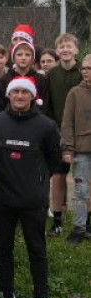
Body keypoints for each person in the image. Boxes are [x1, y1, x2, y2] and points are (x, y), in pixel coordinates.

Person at [0, 77, 61, 298]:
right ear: (8, 95)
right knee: (2, 250)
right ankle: (7, 295)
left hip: (33, 201)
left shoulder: (47, 126)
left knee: (37, 249)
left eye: (24, 92)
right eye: (15, 91)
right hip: (2, 199)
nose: (19, 96)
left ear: (32, 96)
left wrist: (36, 182)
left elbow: (54, 160)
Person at [44, 33, 81, 236]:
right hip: (58, 133)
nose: (65, 50)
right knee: (58, 176)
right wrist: (54, 129)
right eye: (62, 47)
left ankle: (84, 220)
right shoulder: (51, 74)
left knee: (84, 177)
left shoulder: (83, 71)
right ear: (57, 51)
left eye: (69, 46)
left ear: (76, 49)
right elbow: (47, 105)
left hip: (82, 133)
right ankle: (57, 219)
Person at [62, 55, 91, 245]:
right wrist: (68, 149)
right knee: (80, 190)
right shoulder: (74, 93)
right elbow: (67, 123)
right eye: (84, 68)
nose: (85, 71)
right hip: (82, 151)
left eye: (90, 68)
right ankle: (79, 228)